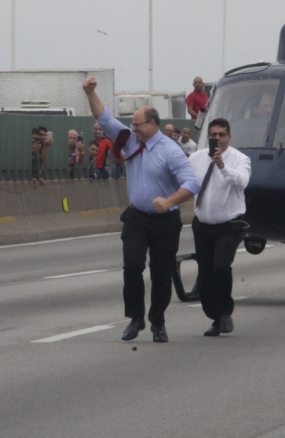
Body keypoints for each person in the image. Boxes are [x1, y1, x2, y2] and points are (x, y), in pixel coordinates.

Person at [83, 76, 200, 344]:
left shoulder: (170, 150)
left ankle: (157, 320)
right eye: (132, 124)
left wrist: (170, 201)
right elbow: (105, 119)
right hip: (136, 217)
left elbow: (192, 182)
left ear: (152, 124)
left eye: (137, 124)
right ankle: (135, 318)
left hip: (164, 221)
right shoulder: (130, 140)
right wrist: (91, 93)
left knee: (161, 274)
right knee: (132, 266)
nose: (132, 128)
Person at [188, 118, 251, 337]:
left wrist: (222, 166)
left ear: (229, 137)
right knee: (205, 274)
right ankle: (214, 316)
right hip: (203, 224)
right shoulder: (196, 158)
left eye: (221, 135)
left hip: (230, 224)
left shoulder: (240, 159)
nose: (217, 139)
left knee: (220, 266)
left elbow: (242, 182)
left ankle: (225, 312)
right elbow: (184, 181)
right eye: (213, 135)